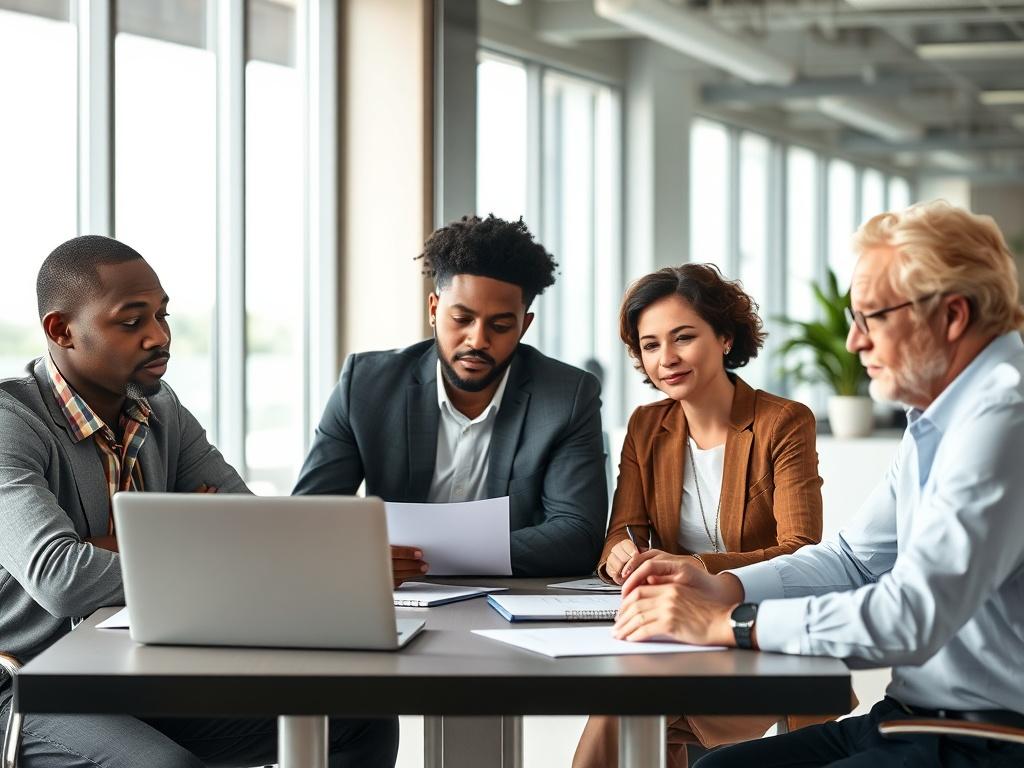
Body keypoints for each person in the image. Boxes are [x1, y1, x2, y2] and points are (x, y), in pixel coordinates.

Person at [613, 201, 1024, 768]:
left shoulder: (1005, 417)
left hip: (992, 739)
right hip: (914, 718)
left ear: (951, 316)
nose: (854, 343)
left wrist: (730, 623)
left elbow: (912, 615)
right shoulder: (940, 416)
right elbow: (855, 560)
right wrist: (723, 586)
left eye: (871, 318)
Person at [0, 236, 398, 768]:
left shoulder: (160, 407)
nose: (159, 337)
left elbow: (253, 527)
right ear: (61, 330)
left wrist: (123, 546)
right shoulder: (11, 422)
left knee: (360, 713)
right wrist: (199, 543)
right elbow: (63, 579)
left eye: (162, 316)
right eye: (131, 321)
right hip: (32, 682)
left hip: (143, 669)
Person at [573, 264, 828, 768]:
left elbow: (802, 550)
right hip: (669, 634)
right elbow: (621, 532)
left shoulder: (782, 421)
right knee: (625, 700)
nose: (665, 359)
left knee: (625, 706)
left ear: (725, 338)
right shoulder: (648, 425)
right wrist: (620, 554)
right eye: (649, 346)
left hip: (753, 629)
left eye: (683, 338)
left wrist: (696, 567)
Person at [294, 215, 608, 578]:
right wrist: (363, 559)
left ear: (524, 325)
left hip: (511, 603)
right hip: (394, 601)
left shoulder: (568, 396)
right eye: (462, 319)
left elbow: (577, 535)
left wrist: (418, 559)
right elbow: (309, 518)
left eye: (501, 326)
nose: (477, 340)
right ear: (433, 309)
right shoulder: (365, 385)